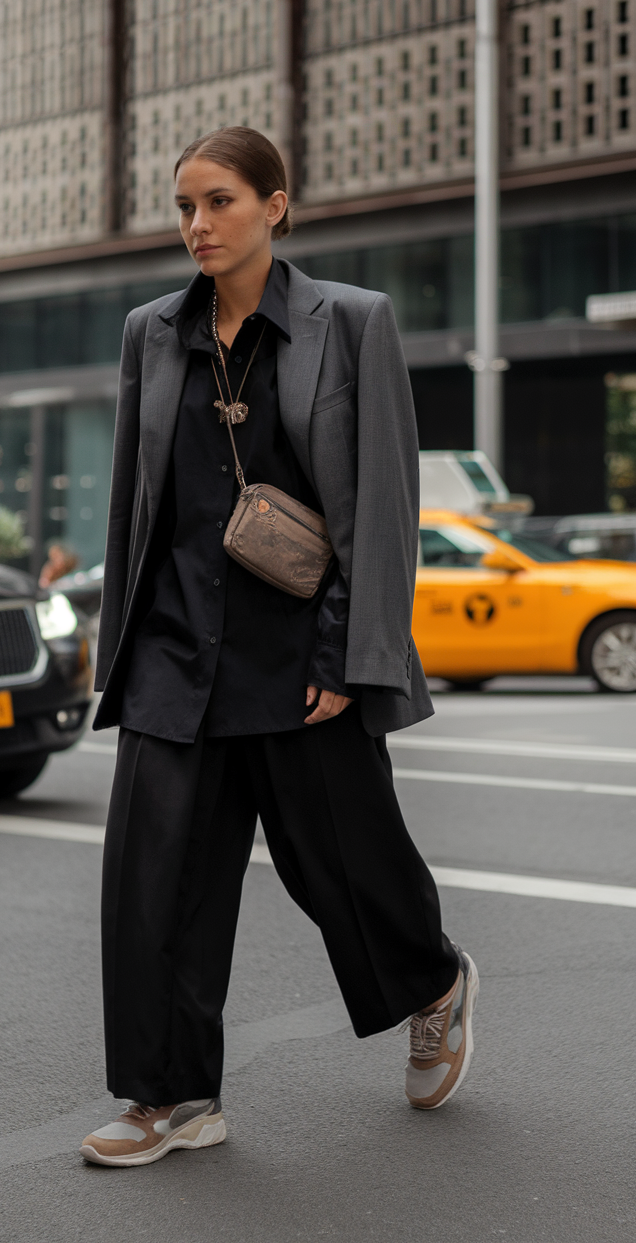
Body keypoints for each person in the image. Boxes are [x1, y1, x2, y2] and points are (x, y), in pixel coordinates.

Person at [80, 127, 478, 1168]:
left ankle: (432, 979)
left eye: (218, 201)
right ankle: (170, 1098)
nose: (197, 225)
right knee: (154, 879)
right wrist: (117, 646)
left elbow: (382, 503)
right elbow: (135, 503)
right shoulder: (151, 332)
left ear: (276, 204)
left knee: (346, 866)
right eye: (183, 207)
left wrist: (350, 656)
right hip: (174, 647)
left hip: (304, 650)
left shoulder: (351, 324)